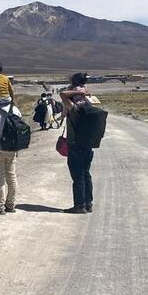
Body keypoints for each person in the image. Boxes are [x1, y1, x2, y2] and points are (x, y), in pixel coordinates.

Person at [60, 72, 94, 214]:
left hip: (75, 144)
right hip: (88, 143)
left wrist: (74, 89)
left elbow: (62, 94)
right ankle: (88, 203)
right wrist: (83, 91)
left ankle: (79, 206)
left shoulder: (74, 107)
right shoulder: (89, 102)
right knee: (86, 174)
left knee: (77, 175)